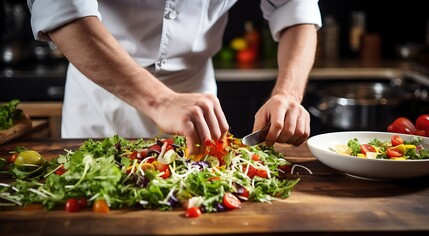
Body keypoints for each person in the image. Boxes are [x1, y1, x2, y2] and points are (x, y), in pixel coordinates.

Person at [26, 0, 322, 155]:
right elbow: (62, 10)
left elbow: (294, 7)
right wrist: (161, 100)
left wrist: (288, 94)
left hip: (196, 94)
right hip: (100, 91)